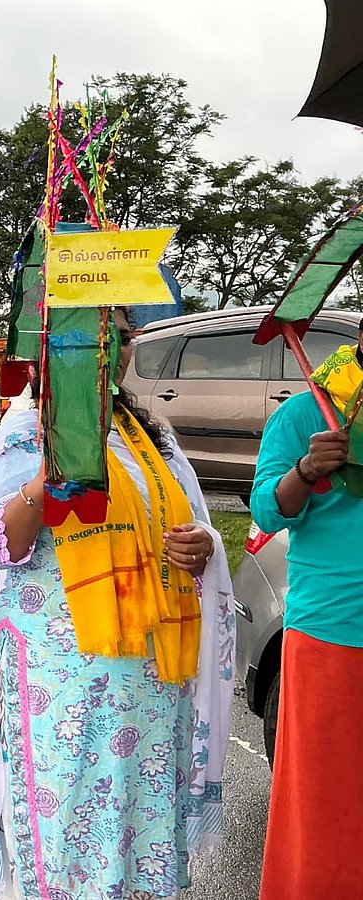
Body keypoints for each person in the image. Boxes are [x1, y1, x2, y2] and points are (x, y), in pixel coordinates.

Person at [0, 308, 234, 900]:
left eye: (122, 334)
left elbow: (189, 520)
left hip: (152, 680)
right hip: (63, 686)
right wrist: (45, 481)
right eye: (96, 331)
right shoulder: (27, 432)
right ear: (53, 346)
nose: (112, 347)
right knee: (70, 831)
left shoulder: (148, 438)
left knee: (141, 826)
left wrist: (201, 544)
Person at [255, 322, 363, 899]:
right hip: (332, 633)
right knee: (323, 799)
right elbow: (266, 511)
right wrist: (306, 470)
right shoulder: (304, 414)